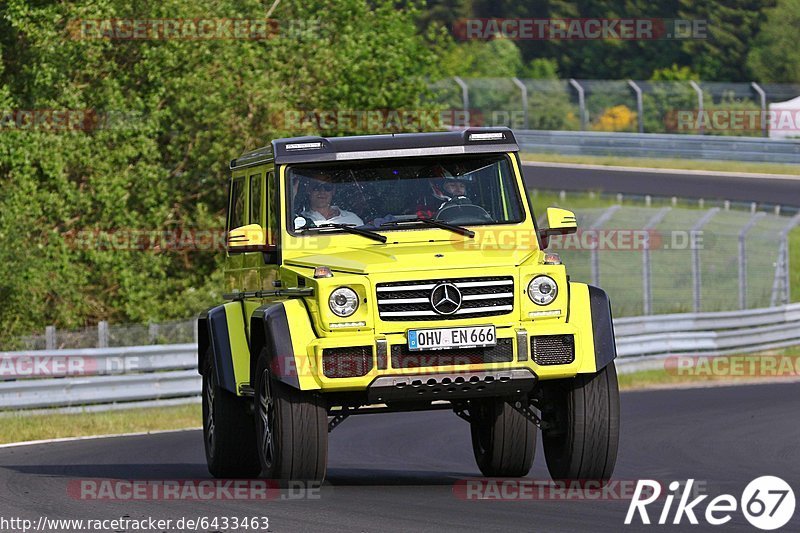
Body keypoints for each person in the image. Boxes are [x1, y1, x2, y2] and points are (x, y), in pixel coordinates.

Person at [299, 172, 364, 226]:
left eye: (327, 186)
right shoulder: (299, 221)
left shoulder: (352, 218)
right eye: (317, 186)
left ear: (333, 190)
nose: (322, 191)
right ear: (308, 190)